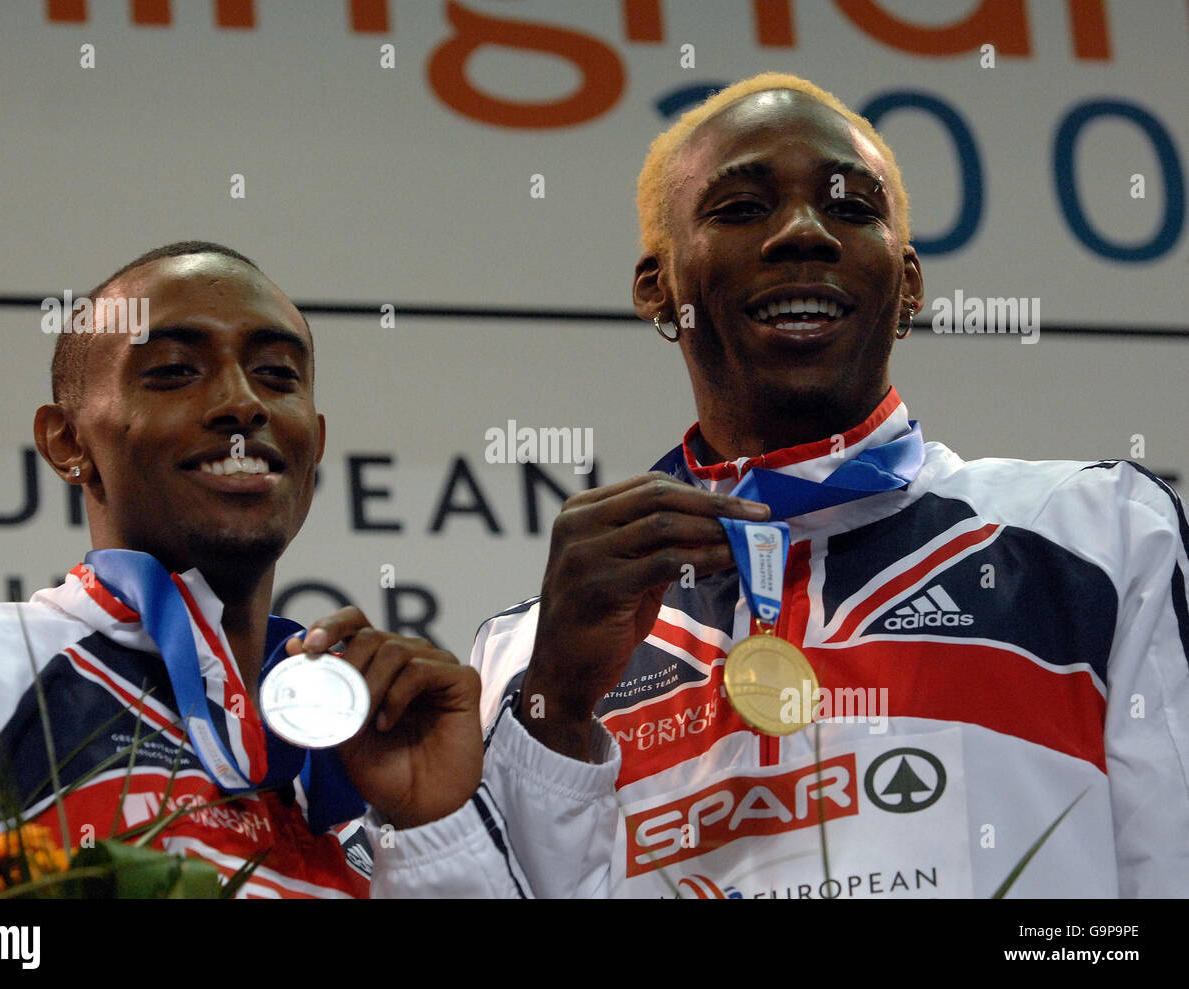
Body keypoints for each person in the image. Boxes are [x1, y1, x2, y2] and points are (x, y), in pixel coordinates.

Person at [471, 73, 1189, 898]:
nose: (803, 234)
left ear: (908, 282)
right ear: (657, 287)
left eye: (851, 209)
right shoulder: (529, 653)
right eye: (740, 208)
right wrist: (557, 704)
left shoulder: (1098, 536)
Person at [0, 242, 619, 898]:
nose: (242, 403)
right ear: (66, 440)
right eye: (174, 371)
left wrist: (429, 825)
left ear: (315, 440)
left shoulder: (376, 735)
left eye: (276, 376)